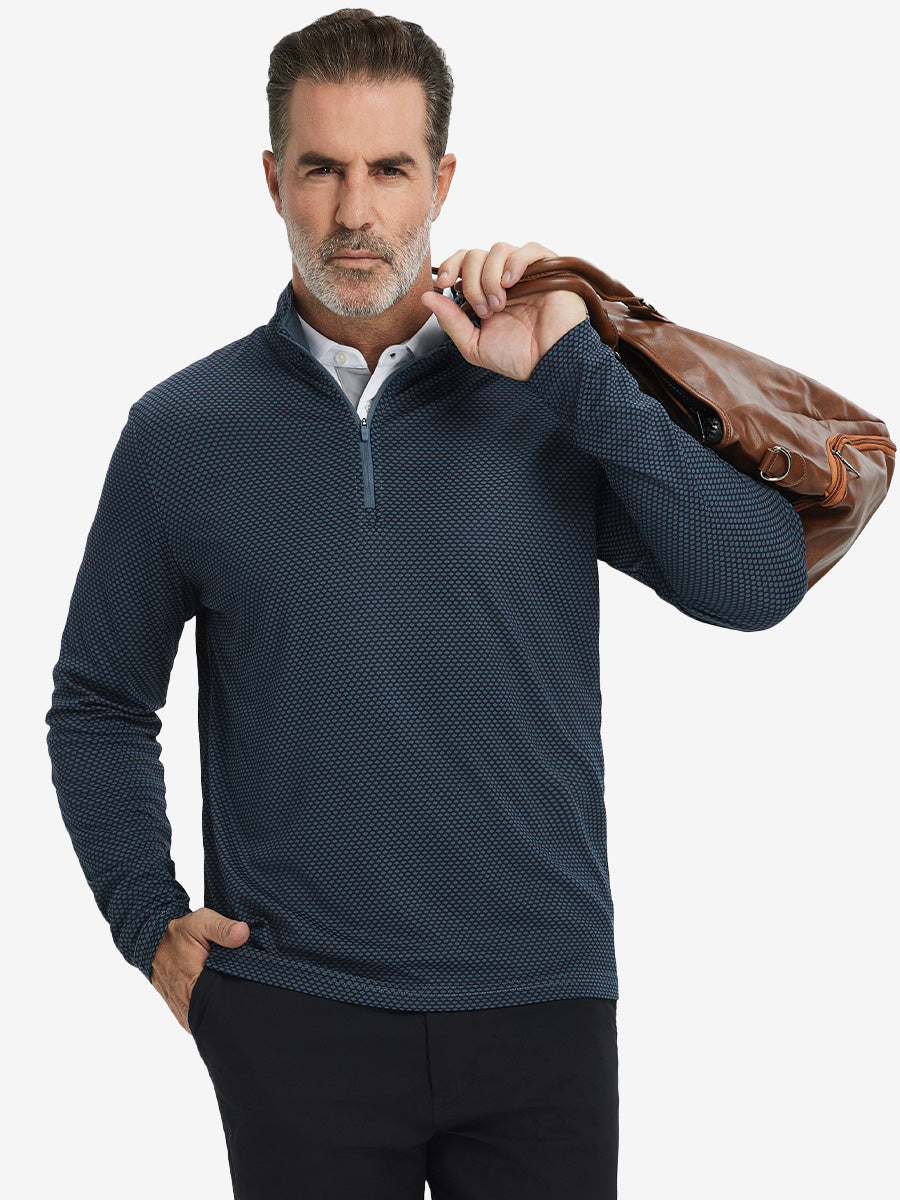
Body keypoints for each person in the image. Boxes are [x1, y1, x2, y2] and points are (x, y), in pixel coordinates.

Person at [44, 9, 809, 1199]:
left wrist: (578, 371)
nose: (355, 212)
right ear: (272, 180)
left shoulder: (548, 392)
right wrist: (149, 921)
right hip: (297, 1014)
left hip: (540, 1012)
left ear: (442, 181)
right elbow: (98, 702)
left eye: (390, 170)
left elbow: (758, 581)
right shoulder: (181, 433)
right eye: (323, 170)